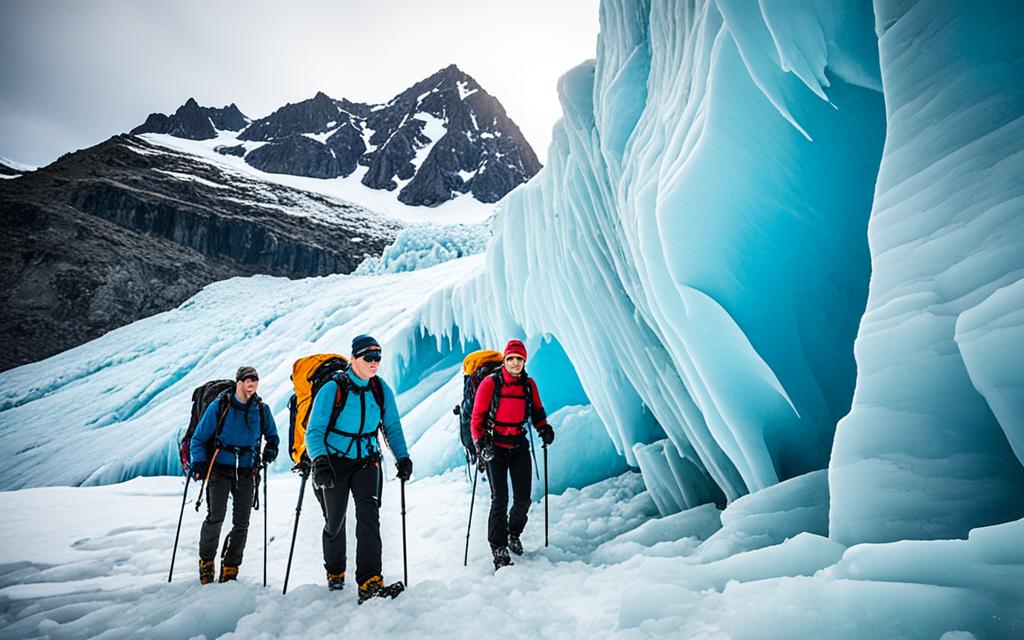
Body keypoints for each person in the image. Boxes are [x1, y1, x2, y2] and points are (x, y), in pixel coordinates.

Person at [305, 334, 413, 602]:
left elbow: (392, 427)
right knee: (335, 520)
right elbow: (314, 431)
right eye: (368, 357)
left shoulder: (380, 389)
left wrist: (403, 457)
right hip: (333, 462)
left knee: (369, 516)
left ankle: (370, 581)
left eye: (378, 358)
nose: (374, 363)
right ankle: (335, 572)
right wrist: (319, 462)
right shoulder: (333, 388)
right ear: (353, 358)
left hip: (366, 460)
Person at [190, 366, 279, 584]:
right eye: (248, 380)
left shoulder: (261, 409)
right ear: (238, 382)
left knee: (242, 523)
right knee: (216, 517)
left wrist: (271, 449)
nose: (252, 384)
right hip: (219, 468)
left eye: (255, 380)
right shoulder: (220, 406)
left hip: (248, 470)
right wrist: (200, 461)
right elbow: (199, 438)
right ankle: (207, 562)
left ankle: (231, 566)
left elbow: (273, 437)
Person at [470, 339, 554, 570]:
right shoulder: (490, 384)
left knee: (523, 499)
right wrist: (480, 444)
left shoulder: (529, 385)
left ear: (524, 361)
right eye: (511, 359)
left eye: (519, 359)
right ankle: (498, 547)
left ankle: (513, 533)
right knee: (500, 499)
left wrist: (544, 427)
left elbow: (537, 411)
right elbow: (476, 418)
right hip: (494, 447)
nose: (515, 363)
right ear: (505, 360)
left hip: (518, 445)